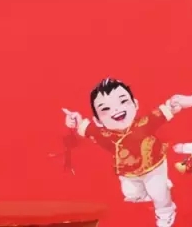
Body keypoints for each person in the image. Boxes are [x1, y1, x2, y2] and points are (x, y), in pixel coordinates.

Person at [63, 78, 180, 227]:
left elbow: (161, 114)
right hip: (127, 172)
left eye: (123, 101)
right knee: (131, 194)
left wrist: (172, 106)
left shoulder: (145, 123)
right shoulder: (102, 133)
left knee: (159, 193)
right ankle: (151, 191)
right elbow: (86, 128)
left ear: (135, 104)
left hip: (154, 166)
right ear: (98, 120)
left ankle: (166, 213)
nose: (116, 110)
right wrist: (75, 121)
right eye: (105, 109)